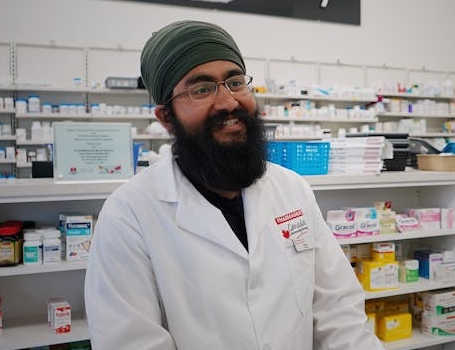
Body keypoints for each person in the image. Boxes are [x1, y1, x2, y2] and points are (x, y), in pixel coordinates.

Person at [84, 20, 385, 350]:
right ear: (166, 117)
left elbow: (339, 312)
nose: (228, 102)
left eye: (235, 82)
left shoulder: (292, 189)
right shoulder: (129, 216)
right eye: (201, 89)